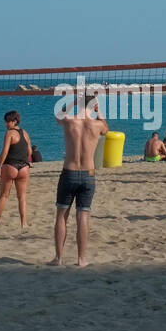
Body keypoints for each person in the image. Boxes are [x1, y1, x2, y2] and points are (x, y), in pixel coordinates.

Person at [52, 93, 109, 266]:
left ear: (79, 104)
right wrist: (99, 111)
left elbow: (58, 114)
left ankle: (59, 258)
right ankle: (81, 259)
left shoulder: (70, 122)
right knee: (83, 215)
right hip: (88, 174)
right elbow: (106, 129)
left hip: (69, 172)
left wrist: (75, 101)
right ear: (94, 106)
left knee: (62, 215)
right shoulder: (97, 125)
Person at [0, 110, 32, 227]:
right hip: (24, 167)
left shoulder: (10, 133)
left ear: (14, 121)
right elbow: (30, 152)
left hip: (10, 166)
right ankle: (24, 223)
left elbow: (5, 152)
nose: (6, 124)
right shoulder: (25, 133)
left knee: (4, 195)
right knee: (22, 197)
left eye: (8, 122)